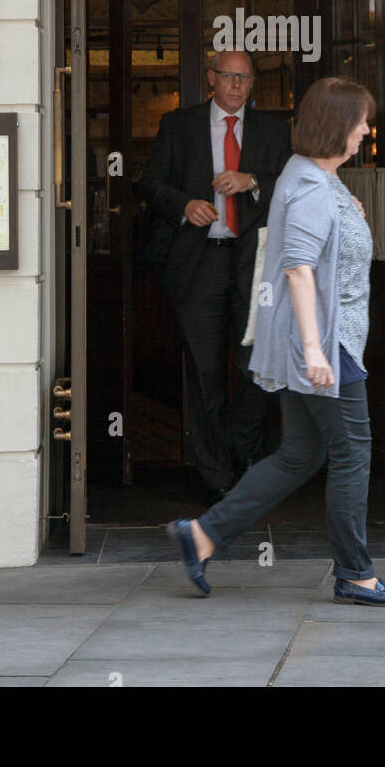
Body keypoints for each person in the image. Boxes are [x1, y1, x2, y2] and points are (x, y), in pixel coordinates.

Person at [166, 77, 385, 607]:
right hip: (327, 345)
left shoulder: (315, 179)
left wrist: (350, 208)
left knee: (298, 455)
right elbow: (298, 269)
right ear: (337, 127)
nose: (367, 132)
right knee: (352, 455)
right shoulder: (307, 187)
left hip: (322, 343)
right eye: (361, 122)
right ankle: (356, 573)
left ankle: (203, 535)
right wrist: (317, 352)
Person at [138, 49, 293, 503]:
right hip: (199, 260)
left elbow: (292, 183)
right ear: (211, 78)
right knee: (204, 371)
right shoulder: (178, 125)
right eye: (229, 77)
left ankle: (241, 453)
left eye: (245, 79)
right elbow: (148, 184)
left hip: (254, 262)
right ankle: (214, 473)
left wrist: (253, 181)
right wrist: (184, 206)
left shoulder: (272, 129)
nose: (238, 86)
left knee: (255, 367)